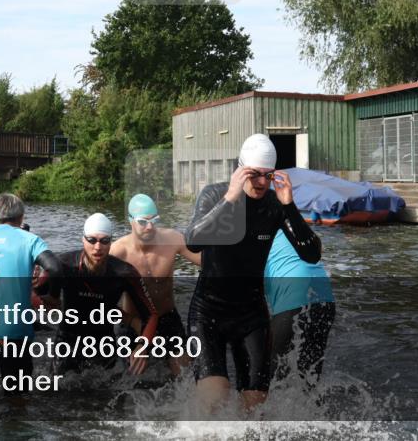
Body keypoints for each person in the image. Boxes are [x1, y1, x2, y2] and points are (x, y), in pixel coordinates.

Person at [185, 134, 322, 414]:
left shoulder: (274, 205)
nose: (261, 182)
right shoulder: (214, 194)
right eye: (254, 174)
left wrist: (289, 206)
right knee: (214, 399)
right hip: (208, 312)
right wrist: (230, 199)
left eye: (268, 176)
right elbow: (192, 240)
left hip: (251, 316)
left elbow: (311, 253)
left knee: (254, 411)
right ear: (240, 169)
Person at [0, 193, 63, 397]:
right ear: (21, 218)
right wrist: (51, 296)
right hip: (14, 331)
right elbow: (55, 268)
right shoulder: (30, 239)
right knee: (18, 401)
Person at [46, 213, 159, 376]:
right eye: (92, 240)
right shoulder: (63, 265)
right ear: (83, 240)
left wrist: (143, 347)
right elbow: (35, 294)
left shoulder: (124, 272)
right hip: (67, 339)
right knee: (57, 391)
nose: (97, 247)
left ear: (110, 242)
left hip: (103, 342)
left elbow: (151, 315)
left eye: (104, 241)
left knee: (105, 396)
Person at [111, 194, 201, 376]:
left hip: (167, 317)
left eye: (154, 220)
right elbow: (100, 295)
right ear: (131, 221)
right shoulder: (118, 252)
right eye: (143, 222)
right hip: (134, 323)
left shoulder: (172, 240)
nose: (150, 226)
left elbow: (207, 261)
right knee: (130, 380)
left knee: (185, 377)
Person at [265, 230, 336, 387]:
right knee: (309, 379)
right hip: (325, 299)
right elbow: (317, 246)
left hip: (293, 297)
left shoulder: (247, 231)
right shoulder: (287, 224)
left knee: (268, 378)